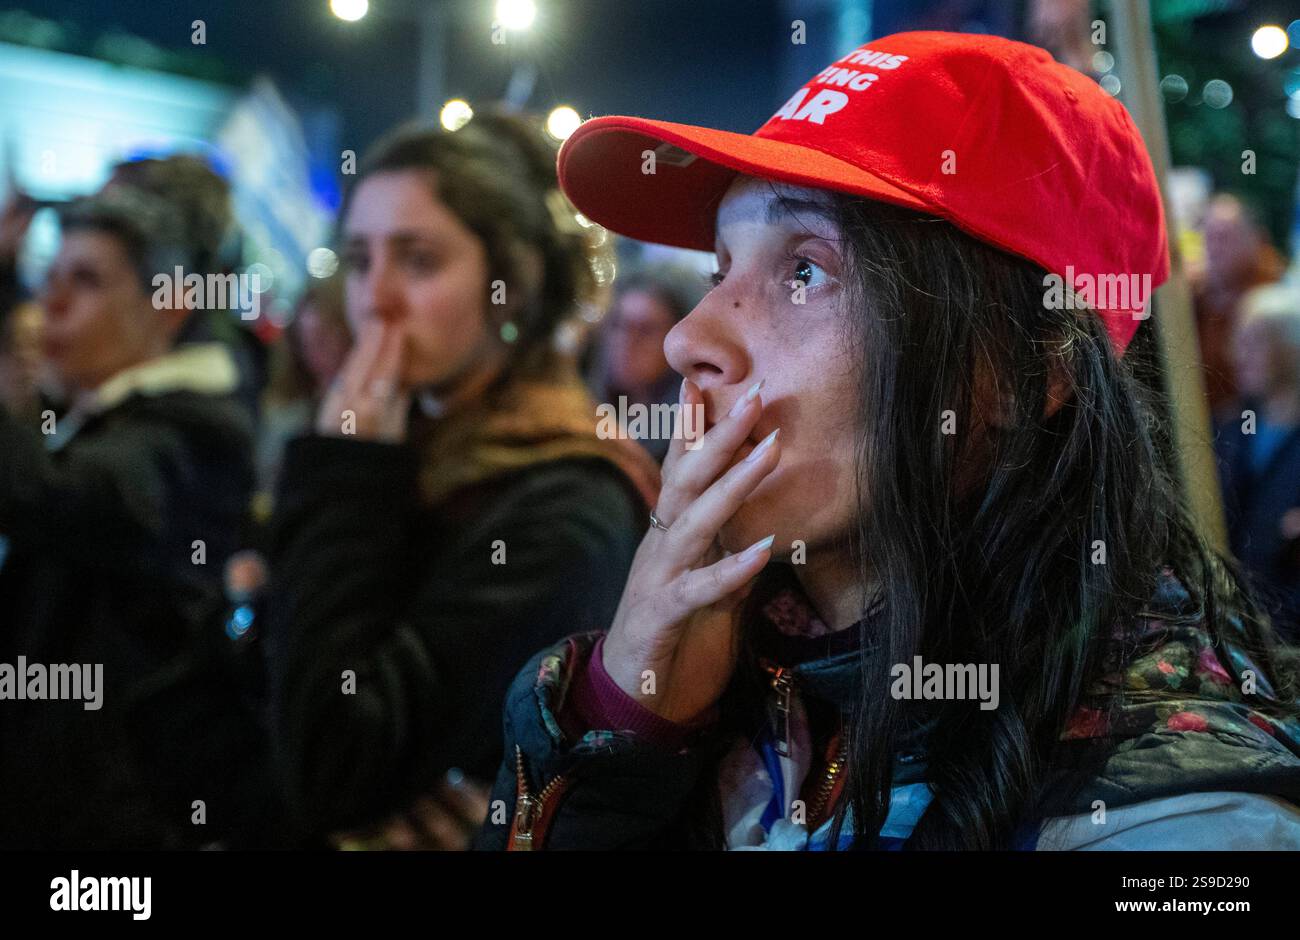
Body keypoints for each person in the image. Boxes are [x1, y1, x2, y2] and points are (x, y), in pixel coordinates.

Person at [478, 31, 1300, 851]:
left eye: (805, 271)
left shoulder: (1180, 826)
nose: (688, 339)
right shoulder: (720, 685)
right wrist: (624, 722)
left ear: (1027, 373)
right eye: (720, 269)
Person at [264, 111, 659, 846]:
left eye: (417, 261)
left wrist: (345, 476)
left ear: (508, 285)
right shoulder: (414, 440)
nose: (374, 298)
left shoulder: (567, 501)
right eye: (358, 260)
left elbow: (332, 764)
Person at [0, 186, 270, 847]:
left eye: (86, 280)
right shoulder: (99, 408)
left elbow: (53, 498)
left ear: (170, 306)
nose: (50, 305)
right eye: (49, 278)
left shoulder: (194, 430)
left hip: (113, 823)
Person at [1214, 283, 1300, 644]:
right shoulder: (1230, 427)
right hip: (1235, 629)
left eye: (1257, 340)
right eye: (1240, 339)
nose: (1240, 354)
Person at [588, 269, 694, 463]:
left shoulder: (687, 440)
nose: (627, 342)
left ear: (677, 342)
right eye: (619, 325)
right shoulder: (586, 414)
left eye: (645, 330)